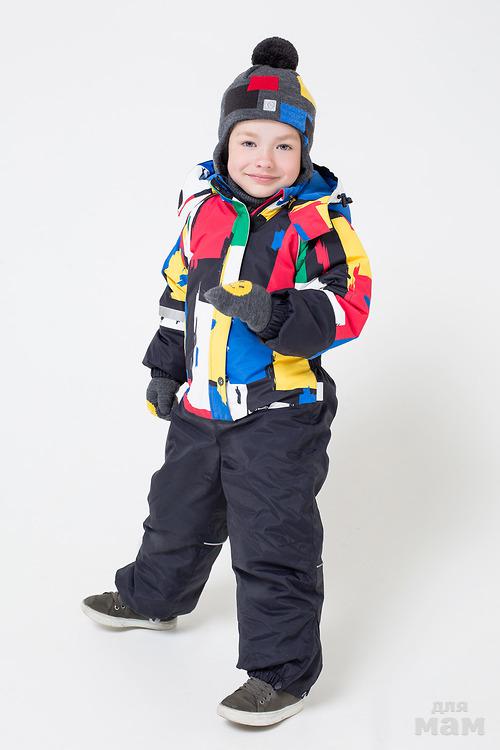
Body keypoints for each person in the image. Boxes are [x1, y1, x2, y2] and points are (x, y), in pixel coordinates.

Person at [81, 36, 372, 727]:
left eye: (283, 146)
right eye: (249, 141)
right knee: (176, 509)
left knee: (272, 540)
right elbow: (177, 290)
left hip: (280, 415)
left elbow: (350, 302)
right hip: (201, 403)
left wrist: (275, 312)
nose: (264, 160)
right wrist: (165, 365)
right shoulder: (201, 210)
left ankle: (281, 673)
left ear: (304, 152)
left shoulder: (318, 221)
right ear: (225, 142)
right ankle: (154, 597)